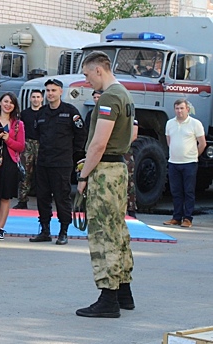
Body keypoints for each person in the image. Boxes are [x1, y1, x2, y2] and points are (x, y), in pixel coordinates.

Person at [76, 50, 135, 318]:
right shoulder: (124, 93)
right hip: (119, 169)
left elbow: (99, 144)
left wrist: (84, 176)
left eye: (87, 75)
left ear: (99, 70)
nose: (87, 80)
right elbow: (133, 131)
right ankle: (123, 291)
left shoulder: (110, 97)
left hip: (105, 171)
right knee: (118, 231)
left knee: (103, 234)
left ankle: (108, 298)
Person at [29, 79, 86, 245]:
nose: (50, 94)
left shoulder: (70, 112)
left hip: (62, 163)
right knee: (42, 197)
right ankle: (45, 230)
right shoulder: (41, 113)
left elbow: (81, 134)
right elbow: (38, 135)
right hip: (44, 162)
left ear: (61, 92)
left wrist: (74, 155)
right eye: (47, 90)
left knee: (62, 197)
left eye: (53, 90)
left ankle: (63, 231)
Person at [163, 99, 206, 228]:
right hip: (173, 163)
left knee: (188, 191)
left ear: (187, 109)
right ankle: (176, 217)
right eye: (177, 108)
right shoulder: (170, 123)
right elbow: (169, 141)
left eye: (182, 108)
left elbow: (202, 143)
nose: (179, 111)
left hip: (189, 163)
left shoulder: (195, 124)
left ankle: (187, 218)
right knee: (176, 191)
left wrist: (193, 156)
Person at [0, 92, 25, 240]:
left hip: (9, 162)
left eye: (11, 102)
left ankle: (0, 228)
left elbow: (21, 146)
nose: (7, 104)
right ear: (0, 103)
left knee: (5, 197)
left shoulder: (18, 124)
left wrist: (7, 138)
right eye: (5, 101)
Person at [13, 89, 43, 210]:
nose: (36, 99)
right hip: (27, 144)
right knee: (25, 173)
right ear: (30, 99)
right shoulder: (24, 114)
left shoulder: (45, 113)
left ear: (41, 99)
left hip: (42, 144)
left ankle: (44, 199)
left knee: (42, 174)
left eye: (38, 97)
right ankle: (22, 200)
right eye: (34, 97)